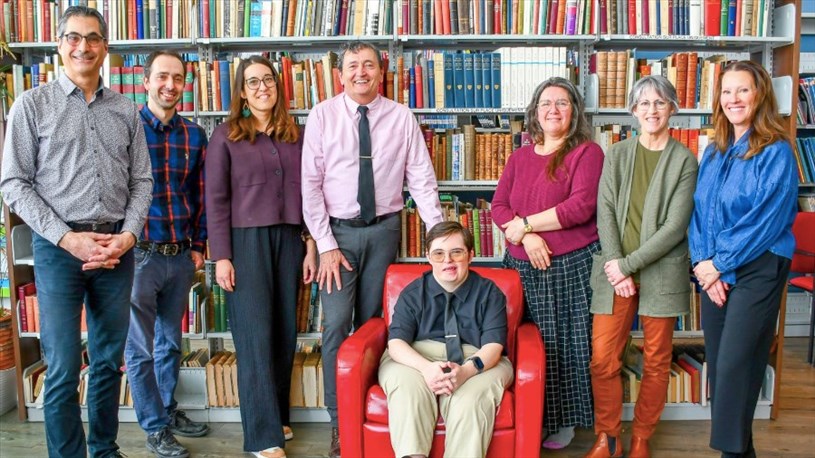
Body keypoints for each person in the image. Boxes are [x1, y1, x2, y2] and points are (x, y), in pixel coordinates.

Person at [0, 6, 153, 457]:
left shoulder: (125, 110)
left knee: (107, 361)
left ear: (105, 47)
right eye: (73, 37)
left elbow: (142, 181)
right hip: (58, 250)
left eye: (92, 38)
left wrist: (128, 236)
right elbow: (14, 183)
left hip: (116, 249)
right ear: (59, 45)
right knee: (64, 366)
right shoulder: (32, 105)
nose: (83, 46)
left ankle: (104, 450)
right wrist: (68, 238)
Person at [301, 41, 444, 457]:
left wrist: (439, 238)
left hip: (384, 231)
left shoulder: (401, 117)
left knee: (374, 325)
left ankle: (372, 411)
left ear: (381, 73)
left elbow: (422, 180)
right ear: (340, 74)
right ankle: (340, 422)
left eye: (368, 65)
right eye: (352, 66)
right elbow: (310, 185)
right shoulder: (322, 116)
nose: (360, 72)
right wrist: (325, 245)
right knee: (335, 326)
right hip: (337, 237)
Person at [206, 55, 318, 458]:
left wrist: (310, 243)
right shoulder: (226, 136)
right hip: (245, 242)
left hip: (290, 239)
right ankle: (262, 437)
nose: (262, 88)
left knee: (283, 332)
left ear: (278, 86)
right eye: (252, 82)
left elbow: (311, 191)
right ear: (241, 91)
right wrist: (222, 256)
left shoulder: (296, 134)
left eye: (268, 80)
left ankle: (278, 418)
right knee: (254, 336)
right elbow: (215, 199)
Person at [689, 60, 797, 458]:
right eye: (726, 91)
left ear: (760, 95)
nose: (733, 99)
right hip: (715, 269)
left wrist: (720, 263)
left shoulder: (776, 151)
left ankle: (730, 454)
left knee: (738, 363)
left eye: (743, 90)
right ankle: (740, 453)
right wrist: (704, 265)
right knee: (721, 366)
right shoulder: (714, 152)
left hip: (760, 266)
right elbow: (698, 213)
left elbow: (766, 220)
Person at [586, 76, 698, 458]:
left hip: (661, 272)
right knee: (603, 358)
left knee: (656, 360)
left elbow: (675, 227)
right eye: (644, 103)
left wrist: (627, 266)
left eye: (660, 102)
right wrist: (616, 264)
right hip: (615, 269)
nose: (652, 110)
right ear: (633, 110)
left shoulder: (685, 160)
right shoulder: (616, 154)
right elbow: (605, 210)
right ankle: (608, 437)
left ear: (673, 109)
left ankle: (641, 437)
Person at [492, 76, 604, 450]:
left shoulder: (587, 153)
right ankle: (529, 416)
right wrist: (526, 235)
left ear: (574, 112)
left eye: (561, 103)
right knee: (522, 345)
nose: (553, 110)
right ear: (535, 113)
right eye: (545, 103)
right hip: (519, 267)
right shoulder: (520, 157)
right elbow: (499, 207)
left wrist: (525, 224)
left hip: (569, 267)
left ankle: (562, 422)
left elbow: (580, 207)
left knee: (565, 347)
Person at [124, 50, 209, 458]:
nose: (170, 85)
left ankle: (168, 410)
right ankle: (155, 427)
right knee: (139, 349)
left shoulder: (194, 135)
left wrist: (199, 245)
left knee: (171, 343)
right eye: (161, 77)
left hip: (179, 255)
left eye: (177, 78)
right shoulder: (126, 129)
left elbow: (200, 194)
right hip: (138, 256)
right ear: (146, 81)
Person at [379, 221, 514, 458]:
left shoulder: (489, 292)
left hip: (478, 359)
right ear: (428, 257)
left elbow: (493, 346)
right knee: (407, 387)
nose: (447, 261)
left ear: (470, 255)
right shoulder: (413, 292)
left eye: (456, 252)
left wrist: (465, 372)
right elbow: (396, 344)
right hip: (418, 356)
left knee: (470, 399)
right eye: (439, 254)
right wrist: (426, 369)